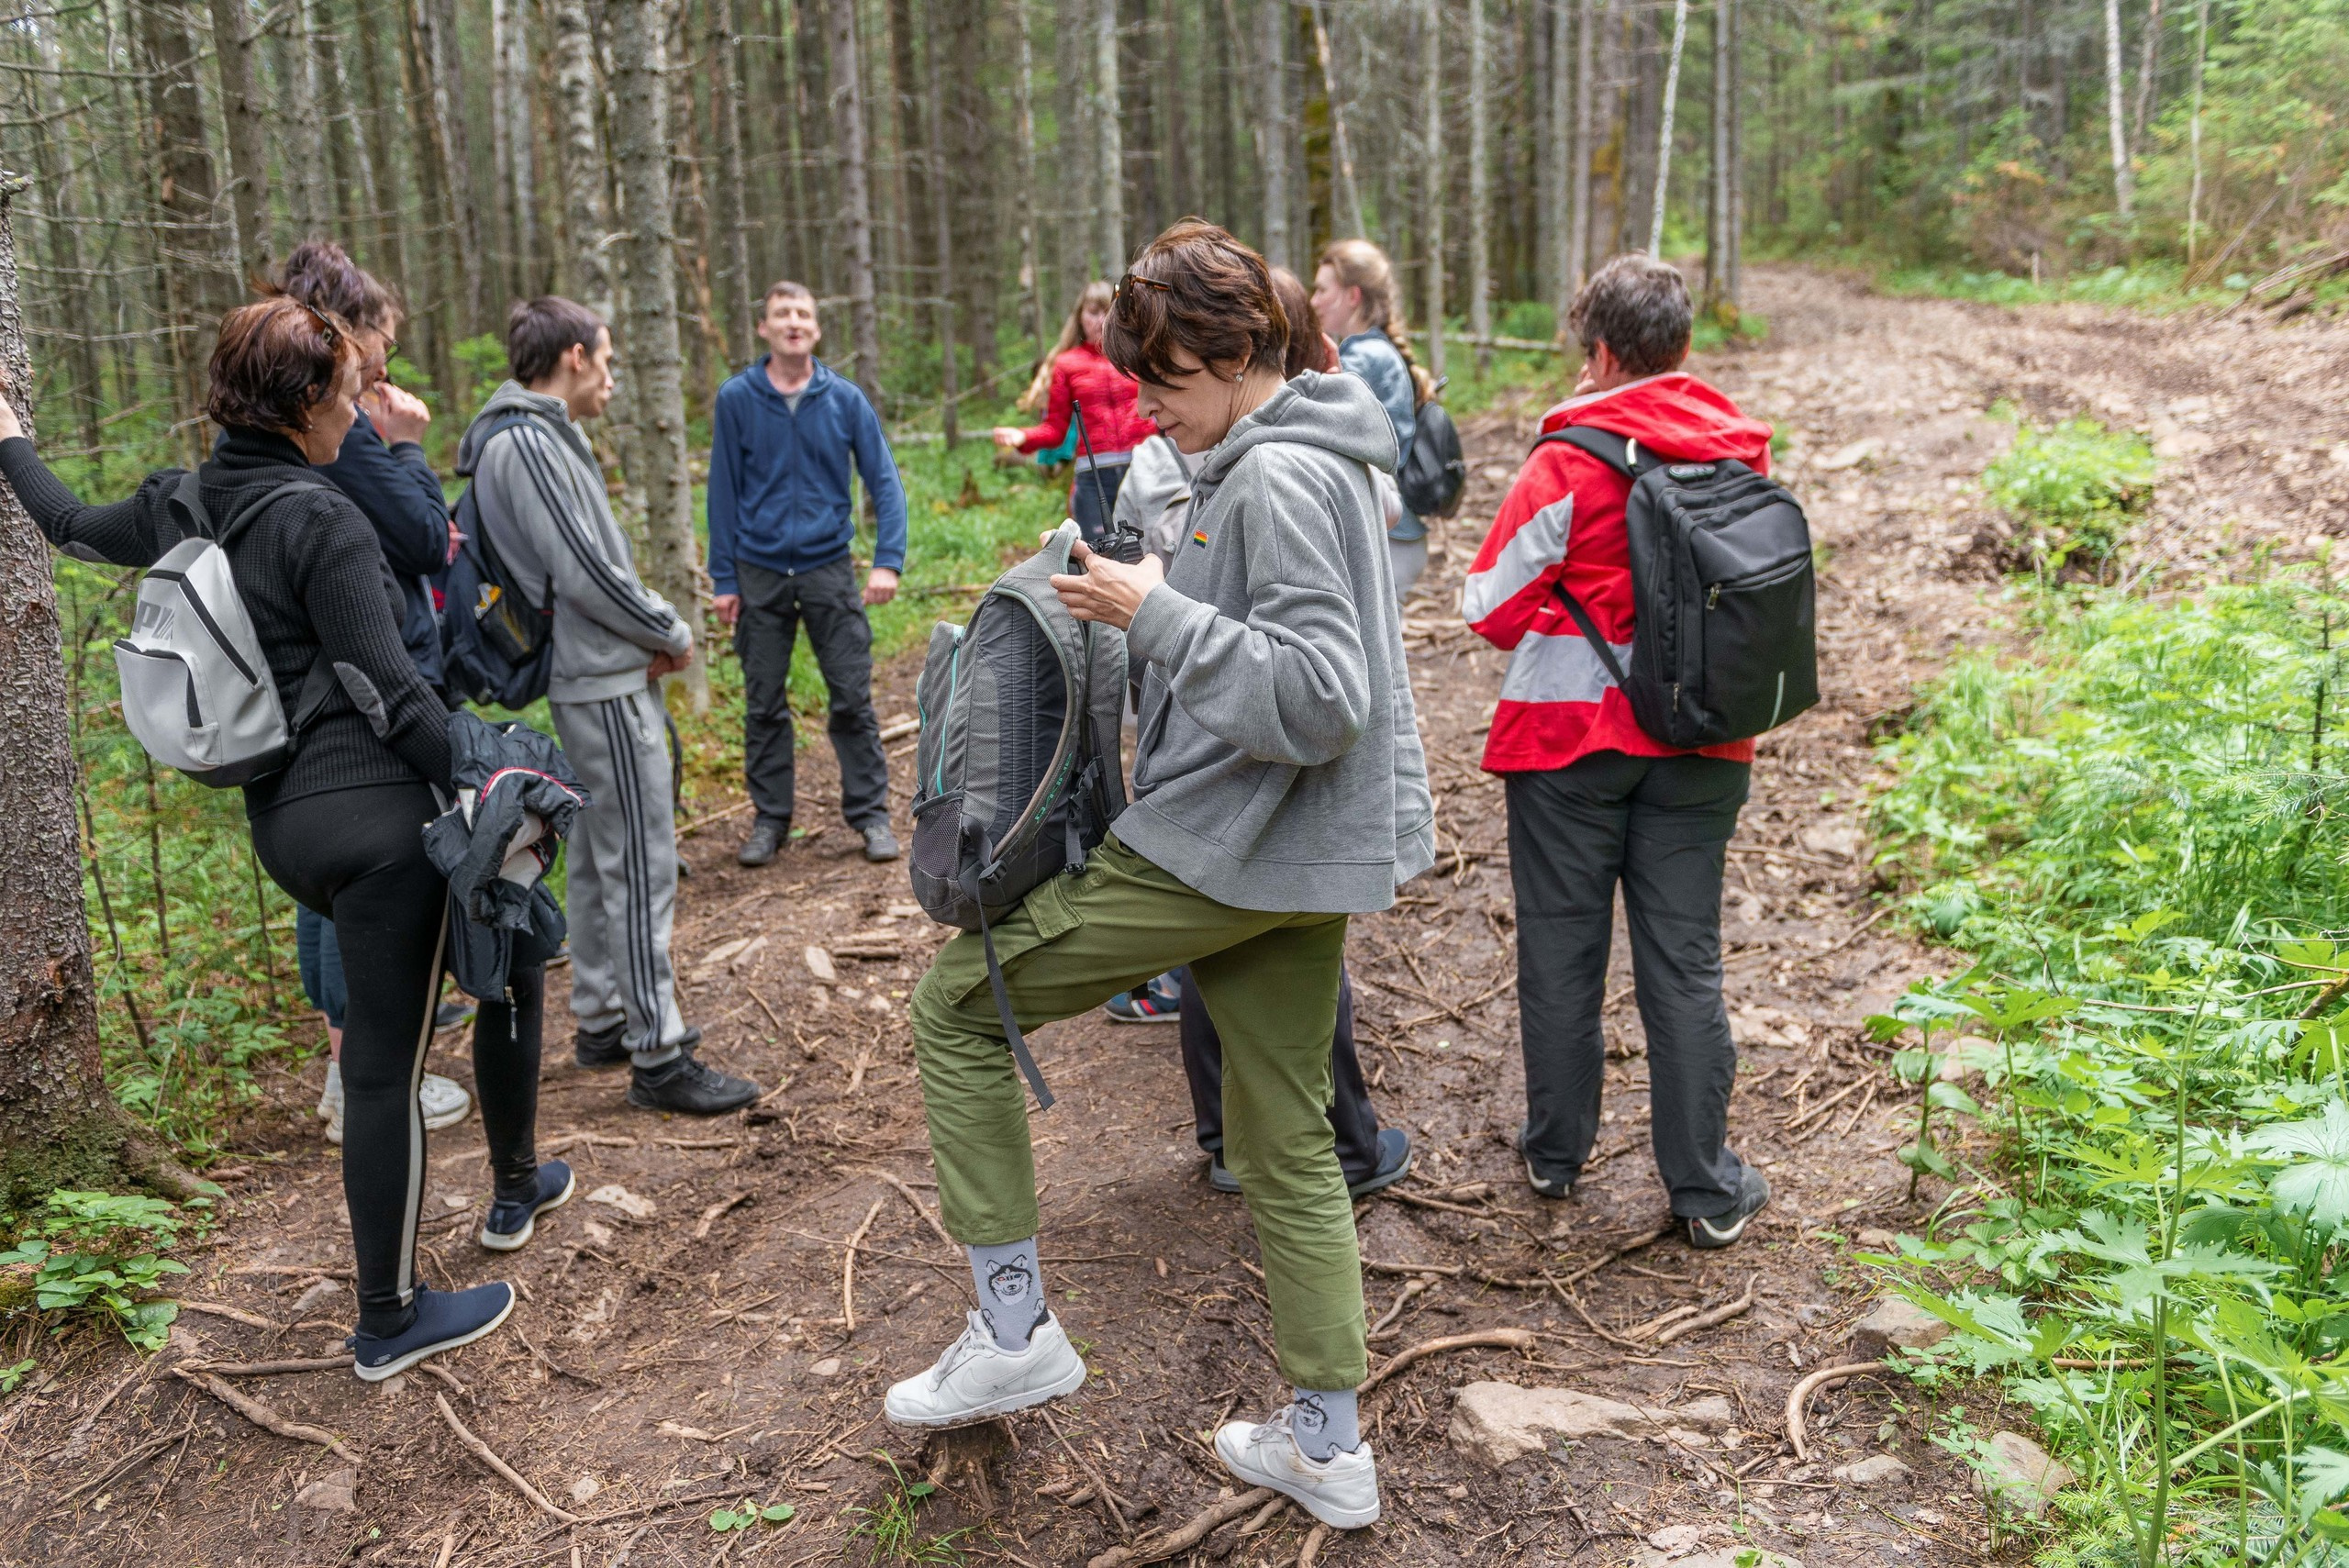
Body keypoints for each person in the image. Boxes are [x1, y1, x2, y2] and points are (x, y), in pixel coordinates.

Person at [885, 220, 1434, 1536]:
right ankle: (1327, 1448)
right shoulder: (1267, 457)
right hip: (1283, 857)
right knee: (1290, 1137)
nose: (1153, 407)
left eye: (1172, 381)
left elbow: (1320, 698)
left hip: (1231, 845)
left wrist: (1154, 612)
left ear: (1241, 354)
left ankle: (1012, 1324)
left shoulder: (1279, 480)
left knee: (957, 1007)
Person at [0, 295, 528, 1378]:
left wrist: (8, 435)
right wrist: (493, 778)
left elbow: (63, 523)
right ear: (299, 404)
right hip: (381, 823)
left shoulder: (186, 499)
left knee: (376, 1066)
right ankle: (391, 1315)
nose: (358, 411)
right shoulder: (321, 516)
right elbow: (397, 698)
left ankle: (397, 1299)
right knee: (385, 1073)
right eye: (344, 394)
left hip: (284, 826)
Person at [1461, 253, 1775, 1249]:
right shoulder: (1739, 457)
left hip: (1566, 745)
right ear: (1680, 346)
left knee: (1561, 953)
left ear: (1598, 352)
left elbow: (1487, 608)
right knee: (1683, 964)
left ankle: (1556, 1154)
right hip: (1703, 740)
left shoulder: (1565, 460)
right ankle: (1703, 1186)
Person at [459, 296, 761, 1116]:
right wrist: (669, 627)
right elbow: (586, 571)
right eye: (610, 359)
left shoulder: (529, 437)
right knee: (641, 863)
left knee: (596, 856)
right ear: (575, 357)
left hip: (592, 676)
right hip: (601, 680)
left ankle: (600, 1018)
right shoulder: (526, 440)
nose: (615, 379)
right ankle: (658, 1051)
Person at [274, 239, 473, 1145]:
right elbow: (425, 537)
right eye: (380, 344)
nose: (387, 365)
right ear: (341, 332)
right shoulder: (338, 428)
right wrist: (411, 447)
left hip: (311, 689)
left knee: (333, 890)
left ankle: (345, 1070)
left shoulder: (280, 416)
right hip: (368, 684)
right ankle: (368, 1078)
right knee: (372, 881)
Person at [707, 282, 907, 870]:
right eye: (781, 314)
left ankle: (870, 815)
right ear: (764, 328)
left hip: (827, 568)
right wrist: (724, 579)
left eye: (802, 314)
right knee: (763, 703)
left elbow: (885, 483)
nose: (793, 322)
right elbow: (722, 494)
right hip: (759, 573)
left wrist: (888, 560)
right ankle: (770, 820)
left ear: (816, 330)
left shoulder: (844, 399)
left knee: (851, 696)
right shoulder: (736, 399)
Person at [991, 281, 1158, 547]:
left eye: (1108, 311)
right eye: (1093, 312)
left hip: (1146, 467)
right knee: (1097, 555)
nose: (1101, 320)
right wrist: (1022, 437)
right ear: (1080, 316)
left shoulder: (1137, 354)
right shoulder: (1067, 364)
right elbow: (1055, 430)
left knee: (1152, 550)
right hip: (1094, 475)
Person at [1310, 241, 1431, 606]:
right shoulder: (1377, 351)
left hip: (1387, 539)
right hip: (1396, 535)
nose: (1313, 301)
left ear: (1352, 296)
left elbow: (1323, 432)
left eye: (1321, 290)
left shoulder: (1361, 357)